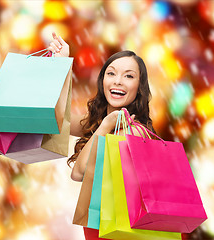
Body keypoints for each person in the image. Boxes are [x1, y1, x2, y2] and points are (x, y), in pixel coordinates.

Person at [48, 32, 156, 182]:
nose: (118, 81)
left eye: (129, 76)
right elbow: (56, 120)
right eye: (111, 73)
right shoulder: (101, 121)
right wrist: (62, 65)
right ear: (102, 81)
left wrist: (105, 125)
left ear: (139, 87)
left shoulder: (134, 132)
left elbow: (79, 173)